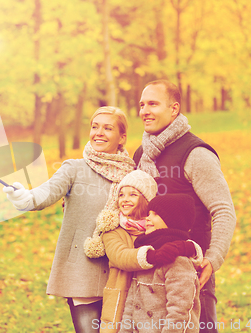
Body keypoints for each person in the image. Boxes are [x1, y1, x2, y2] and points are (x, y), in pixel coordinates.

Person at [4, 106, 140, 333]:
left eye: (108, 128)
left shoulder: (133, 175)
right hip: (82, 271)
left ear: (122, 137)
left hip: (121, 273)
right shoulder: (74, 168)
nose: (99, 133)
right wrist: (26, 198)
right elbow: (48, 192)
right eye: (95, 127)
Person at [133, 80, 236, 332]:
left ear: (174, 109)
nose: (144, 111)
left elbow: (223, 209)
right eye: (142, 104)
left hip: (189, 270)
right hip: (147, 270)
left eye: (153, 104)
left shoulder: (196, 154)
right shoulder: (140, 155)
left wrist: (212, 259)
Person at [84, 170, 201, 333]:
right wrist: (153, 256)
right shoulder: (118, 233)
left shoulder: (167, 250)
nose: (125, 199)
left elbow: (179, 311)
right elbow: (122, 257)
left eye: (133, 194)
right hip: (119, 298)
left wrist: (187, 248)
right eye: (121, 195)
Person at [119, 194, 202, 333]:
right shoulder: (146, 256)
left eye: (155, 214)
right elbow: (131, 306)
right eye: (148, 214)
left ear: (173, 220)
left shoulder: (179, 261)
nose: (148, 218)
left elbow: (179, 312)